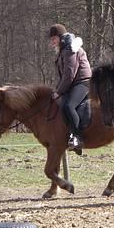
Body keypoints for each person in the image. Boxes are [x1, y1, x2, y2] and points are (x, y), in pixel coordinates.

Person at [49, 23, 92, 154]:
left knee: (69, 106)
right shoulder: (63, 50)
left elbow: (69, 75)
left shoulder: (70, 50)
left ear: (61, 38)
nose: (52, 42)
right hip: (73, 83)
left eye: (54, 38)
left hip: (83, 82)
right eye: (51, 39)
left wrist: (59, 91)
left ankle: (77, 138)